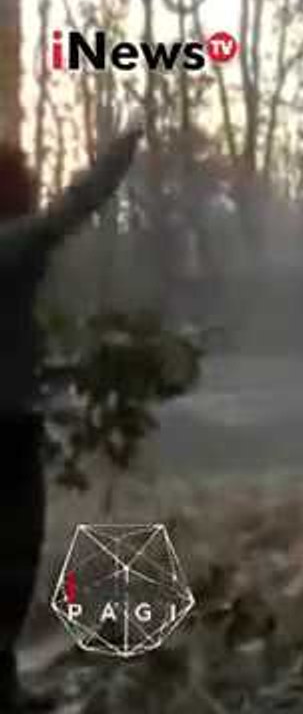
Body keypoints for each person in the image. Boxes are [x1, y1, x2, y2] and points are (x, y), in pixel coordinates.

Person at [0, 128, 141, 710]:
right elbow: (71, 209)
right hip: (3, 434)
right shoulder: (10, 245)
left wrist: (58, 373)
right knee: (11, 558)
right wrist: (121, 150)